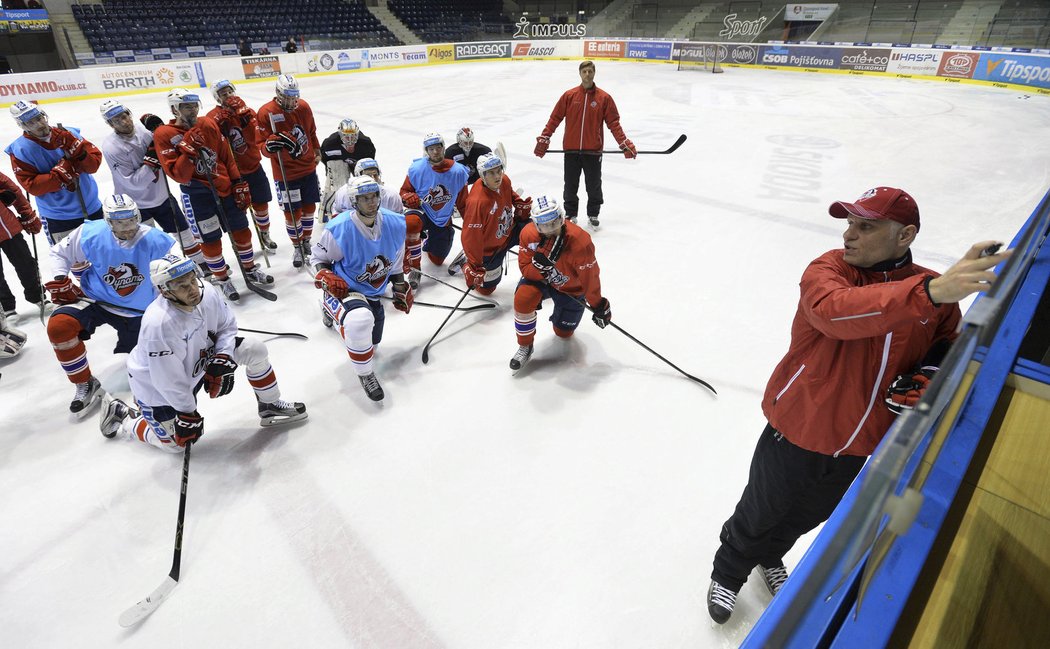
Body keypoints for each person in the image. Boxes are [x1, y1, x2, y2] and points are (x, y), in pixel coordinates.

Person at [706, 187, 1012, 624]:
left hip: (863, 440)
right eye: (850, 223)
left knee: (810, 514)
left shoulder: (931, 292)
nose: (850, 234)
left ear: (904, 235)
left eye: (866, 226)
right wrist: (931, 291)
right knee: (761, 510)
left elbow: (947, 344)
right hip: (799, 426)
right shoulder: (830, 270)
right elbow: (835, 312)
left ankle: (770, 556)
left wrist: (928, 372)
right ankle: (729, 571)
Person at [100, 255, 307, 451]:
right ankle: (124, 416)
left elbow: (227, 326)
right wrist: (187, 413)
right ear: (165, 291)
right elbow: (168, 380)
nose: (192, 289)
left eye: (192, 280)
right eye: (182, 286)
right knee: (176, 447)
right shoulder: (159, 324)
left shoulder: (206, 291)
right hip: (158, 389)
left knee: (253, 348)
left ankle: (269, 404)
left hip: (197, 361)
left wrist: (223, 357)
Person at [44, 194, 179, 417]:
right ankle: (84, 383)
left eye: (130, 221)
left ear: (138, 216)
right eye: (119, 223)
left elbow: (179, 276)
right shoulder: (90, 233)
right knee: (60, 327)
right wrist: (60, 279)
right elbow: (59, 253)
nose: (127, 228)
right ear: (108, 221)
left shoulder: (160, 242)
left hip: (142, 313)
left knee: (151, 368)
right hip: (97, 302)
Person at [153, 88, 272, 302]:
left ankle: (249, 268)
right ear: (174, 109)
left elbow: (225, 154)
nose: (192, 110)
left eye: (194, 105)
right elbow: (178, 175)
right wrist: (188, 150)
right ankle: (222, 278)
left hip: (224, 189)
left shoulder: (207, 123)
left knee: (242, 232)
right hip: (197, 196)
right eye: (186, 106)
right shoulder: (164, 134)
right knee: (210, 241)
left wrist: (238, 182)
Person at [312, 175, 412, 402]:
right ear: (354, 201)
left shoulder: (396, 223)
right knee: (359, 321)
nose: (371, 202)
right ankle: (365, 375)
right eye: (364, 198)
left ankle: (334, 314)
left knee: (373, 343)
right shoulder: (339, 228)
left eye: (374, 196)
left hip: (374, 291)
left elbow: (395, 261)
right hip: (347, 288)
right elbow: (318, 259)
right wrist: (326, 275)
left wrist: (399, 286)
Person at [98, 99, 207, 272]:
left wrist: (162, 133)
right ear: (110, 124)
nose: (124, 122)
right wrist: (152, 161)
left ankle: (203, 266)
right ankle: (157, 274)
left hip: (162, 196)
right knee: (148, 244)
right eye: (117, 120)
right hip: (136, 204)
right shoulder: (112, 147)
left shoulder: (145, 130)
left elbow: (168, 149)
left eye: (124, 116)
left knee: (185, 235)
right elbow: (134, 182)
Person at [510, 194, 611, 370]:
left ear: (562, 218)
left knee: (563, 332)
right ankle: (525, 345)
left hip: (570, 288)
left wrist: (598, 305)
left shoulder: (580, 242)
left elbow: (590, 278)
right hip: (542, 281)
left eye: (554, 223)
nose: (550, 230)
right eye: (544, 225)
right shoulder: (528, 234)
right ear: (535, 224)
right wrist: (541, 268)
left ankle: (562, 317)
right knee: (523, 298)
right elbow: (525, 268)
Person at [534, 60, 636, 228]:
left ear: (594, 73)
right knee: (570, 185)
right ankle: (571, 213)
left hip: (593, 152)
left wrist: (623, 143)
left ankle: (593, 214)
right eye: (584, 72)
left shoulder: (604, 98)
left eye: (590, 71)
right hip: (571, 151)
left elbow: (614, 124)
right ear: (580, 74)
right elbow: (555, 118)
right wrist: (545, 136)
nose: (587, 74)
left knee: (594, 185)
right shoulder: (569, 96)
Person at [5, 99, 105, 243]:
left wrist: (80, 152)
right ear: (22, 125)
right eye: (31, 122)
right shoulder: (20, 150)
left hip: (93, 208)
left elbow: (93, 166)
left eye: (39, 118)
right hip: (59, 217)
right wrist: (59, 175)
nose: (39, 124)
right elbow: (33, 186)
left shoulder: (70, 133)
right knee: (72, 263)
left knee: (104, 255)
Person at [257, 74, 322, 269]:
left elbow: (311, 131)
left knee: (310, 208)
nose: (291, 101)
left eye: (294, 96)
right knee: (292, 213)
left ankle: (306, 241)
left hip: (308, 168)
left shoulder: (303, 106)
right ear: (278, 93)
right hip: (286, 174)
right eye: (287, 96)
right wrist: (270, 145)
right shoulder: (266, 112)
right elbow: (260, 145)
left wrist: (317, 150)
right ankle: (297, 246)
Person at [206, 79, 277, 253]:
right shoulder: (211, 117)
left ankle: (265, 234)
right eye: (223, 94)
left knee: (261, 204)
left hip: (253, 166)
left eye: (230, 92)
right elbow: (212, 144)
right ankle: (246, 244)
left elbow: (256, 137)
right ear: (217, 98)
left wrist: (244, 118)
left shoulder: (248, 111)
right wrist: (219, 127)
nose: (228, 96)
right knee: (240, 210)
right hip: (233, 175)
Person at [448, 152, 531, 295]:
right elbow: (471, 237)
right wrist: (474, 266)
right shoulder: (477, 202)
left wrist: (519, 203)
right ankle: (465, 262)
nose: (498, 176)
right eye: (491, 173)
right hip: (490, 249)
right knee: (487, 290)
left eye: (499, 170)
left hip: (508, 231)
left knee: (535, 233)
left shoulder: (504, 180)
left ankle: (541, 274)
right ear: (482, 175)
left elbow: (509, 193)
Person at [399, 132, 469, 286]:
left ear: (443, 148)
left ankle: (425, 240)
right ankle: (415, 269)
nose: (435, 152)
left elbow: (464, 204)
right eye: (431, 149)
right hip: (422, 212)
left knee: (437, 260)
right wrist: (408, 197)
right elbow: (403, 192)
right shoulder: (417, 169)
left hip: (442, 217)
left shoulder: (458, 172)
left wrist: (472, 225)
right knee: (410, 223)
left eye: (438, 148)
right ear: (426, 151)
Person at [0, 169, 46, 317]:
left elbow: (13, 189)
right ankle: (6, 308)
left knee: (26, 263)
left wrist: (26, 212)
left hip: (8, 228)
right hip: (8, 228)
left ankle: (37, 295)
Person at [319, 118, 377, 222]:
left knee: (365, 183)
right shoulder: (330, 144)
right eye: (346, 137)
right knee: (338, 184)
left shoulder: (366, 144)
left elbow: (370, 163)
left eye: (353, 136)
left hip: (358, 163)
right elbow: (324, 158)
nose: (350, 140)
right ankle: (328, 210)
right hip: (339, 163)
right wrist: (331, 175)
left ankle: (363, 207)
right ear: (340, 135)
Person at [330, 158, 402, 217]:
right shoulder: (344, 193)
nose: (372, 179)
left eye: (375, 175)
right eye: (368, 175)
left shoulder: (391, 195)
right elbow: (337, 212)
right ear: (358, 176)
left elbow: (398, 218)